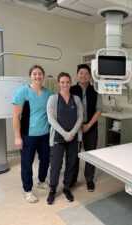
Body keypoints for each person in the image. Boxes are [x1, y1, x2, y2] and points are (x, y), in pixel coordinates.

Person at [12, 65, 53, 203]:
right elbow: (16, 117)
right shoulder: (22, 93)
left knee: (46, 160)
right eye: (34, 74)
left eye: (40, 74)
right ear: (30, 76)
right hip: (28, 135)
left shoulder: (49, 93)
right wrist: (17, 137)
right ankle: (28, 190)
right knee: (27, 164)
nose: (37, 76)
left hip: (45, 134)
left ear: (44, 75)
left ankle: (41, 181)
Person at [46, 72, 83, 205]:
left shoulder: (76, 99)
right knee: (56, 165)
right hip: (57, 136)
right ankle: (52, 189)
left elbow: (80, 117)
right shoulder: (53, 99)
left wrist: (72, 133)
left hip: (73, 137)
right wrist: (65, 134)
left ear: (70, 83)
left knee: (71, 163)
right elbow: (51, 119)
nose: (65, 84)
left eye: (67, 82)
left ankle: (67, 188)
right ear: (58, 83)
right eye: (62, 82)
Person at [70, 64, 102, 192]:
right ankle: (72, 178)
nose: (83, 75)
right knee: (74, 154)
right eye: (81, 73)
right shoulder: (71, 90)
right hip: (74, 128)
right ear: (77, 75)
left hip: (91, 127)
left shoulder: (95, 90)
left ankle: (89, 179)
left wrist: (88, 125)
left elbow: (99, 110)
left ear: (90, 76)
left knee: (90, 154)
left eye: (86, 73)